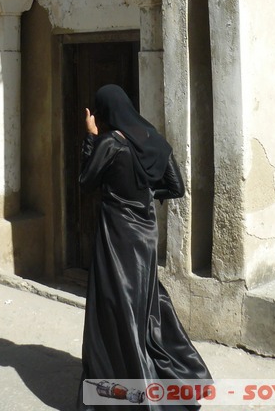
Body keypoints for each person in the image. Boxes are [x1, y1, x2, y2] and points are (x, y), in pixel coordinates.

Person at [78, 84, 212, 409]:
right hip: (146, 235)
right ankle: (177, 377)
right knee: (146, 302)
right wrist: (147, 197)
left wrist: (91, 136)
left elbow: (85, 181)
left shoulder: (110, 143)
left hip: (117, 235)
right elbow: (176, 187)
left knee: (116, 307)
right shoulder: (152, 138)